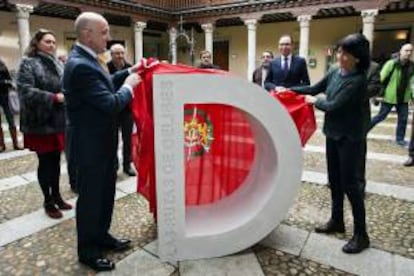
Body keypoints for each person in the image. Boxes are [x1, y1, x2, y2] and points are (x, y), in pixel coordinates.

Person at [63, 12, 141, 271]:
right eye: (104, 31)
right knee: (91, 200)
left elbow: (105, 84)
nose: (108, 37)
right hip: (89, 147)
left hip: (103, 144)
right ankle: (87, 250)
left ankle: (102, 236)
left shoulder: (89, 59)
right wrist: (129, 86)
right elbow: (109, 103)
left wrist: (131, 70)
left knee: (106, 195)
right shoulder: (80, 64)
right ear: (87, 34)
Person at [289, 33, 371, 254]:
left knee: (351, 186)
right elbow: (315, 88)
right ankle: (337, 221)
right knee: (334, 181)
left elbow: (332, 105)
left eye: (345, 53)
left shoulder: (358, 81)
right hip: (333, 134)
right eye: (340, 51)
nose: (340, 56)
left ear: (357, 58)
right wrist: (288, 90)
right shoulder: (335, 70)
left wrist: (315, 102)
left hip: (350, 137)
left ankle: (361, 235)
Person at [16, 29, 72, 219]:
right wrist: (54, 97)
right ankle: (47, 201)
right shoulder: (28, 63)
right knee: (45, 162)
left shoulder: (57, 62)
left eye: (54, 42)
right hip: (39, 121)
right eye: (48, 41)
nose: (52, 45)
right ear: (37, 43)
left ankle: (57, 195)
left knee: (56, 161)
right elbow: (24, 90)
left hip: (57, 120)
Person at [368, 43, 414, 146]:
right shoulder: (391, 64)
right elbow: (380, 78)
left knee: (403, 119)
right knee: (380, 116)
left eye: (411, 51)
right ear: (400, 51)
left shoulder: (412, 66)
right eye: (406, 50)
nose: (409, 53)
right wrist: (376, 94)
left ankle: (400, 139)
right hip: (389, 97)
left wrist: (412, 97)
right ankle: (363, 131)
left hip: (403, 98)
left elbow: (412, 82)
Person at [107, 43, 136, 176]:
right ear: (111, 54)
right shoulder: (106, 68)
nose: (120, 56)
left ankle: (127, 164)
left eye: (122, 53)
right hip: (111, 108)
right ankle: (114, 165)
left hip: (126, 109)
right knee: (112, 139)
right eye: (117, 53)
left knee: (127, 139)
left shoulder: (130, 67)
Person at [358, 61, 382, 196]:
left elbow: (375, 88)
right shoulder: (340, 65)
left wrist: (352, 90)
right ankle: (336, 182)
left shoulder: (373, 67)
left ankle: (359, 186)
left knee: (359, 153)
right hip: (341, 115)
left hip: (360, 116)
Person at [0, 59, 23, 152]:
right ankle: (1, 145)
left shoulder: (1, 64)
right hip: (4, 95)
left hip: (5, 96)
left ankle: (15, 143)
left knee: (11, 120)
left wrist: (6, 82)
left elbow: (9, 79)